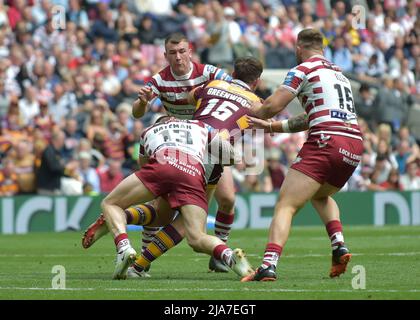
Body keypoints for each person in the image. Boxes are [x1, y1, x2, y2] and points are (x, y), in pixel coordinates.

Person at [84, 32, 237, 273]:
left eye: (182, 51)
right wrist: (143, 103)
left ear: (190, 52)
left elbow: (233, 90)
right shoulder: (159, 79)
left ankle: (218, 252)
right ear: (165, 55)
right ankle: (143, 262)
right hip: (179, 145)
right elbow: (136, 112)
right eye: (173, 53)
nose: (178, 57)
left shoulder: (209, 73)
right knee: (166, 208)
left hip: (206, 142)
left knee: (227, 199)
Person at [242, 28, 364, 282]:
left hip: (326, 140)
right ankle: (339, 245)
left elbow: (271, 107)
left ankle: (268, 265)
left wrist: (242, 103)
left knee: (286, 204)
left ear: (299, 48)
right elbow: (311, 117)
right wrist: (275, 127)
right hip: (353, 143)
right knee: (320, 194)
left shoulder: (303, 69)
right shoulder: (338, 74)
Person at [101, 116, 252, 280]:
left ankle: (124, 248)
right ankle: (229, 257)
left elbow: (145, 167)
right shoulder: (199, 126)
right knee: (196, 237)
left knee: (111, 203)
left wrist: (166, 192)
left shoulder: (148, 131)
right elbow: (232, 156)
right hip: (193, 174)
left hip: (162, 164)